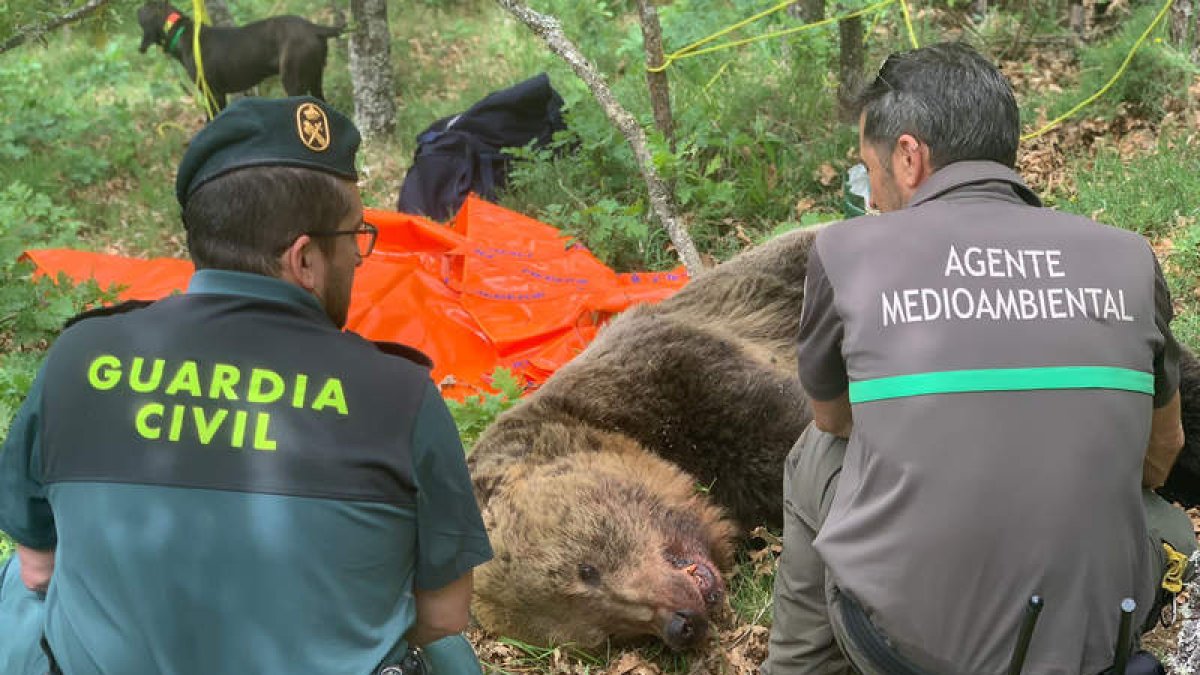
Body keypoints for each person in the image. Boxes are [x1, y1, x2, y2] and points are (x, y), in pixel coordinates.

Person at [0, 96, 493, 674]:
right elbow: (444, 613)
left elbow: (39, 569)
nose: (360, 259)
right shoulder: (401, 396)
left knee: (16, 589)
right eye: (355, 237)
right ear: (304, 259)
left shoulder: (77, 357)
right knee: (449, 655)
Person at [762, 42, 1197, 675]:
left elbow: (833, 420)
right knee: (1174, 533)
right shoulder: (1128, 258)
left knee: (814, 455)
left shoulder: (847, 251)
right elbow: (1162, 454)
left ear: (909, 158)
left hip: (903, 651)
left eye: (867, 170)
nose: (872, 195)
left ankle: (799, 667)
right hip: (1094, 641)